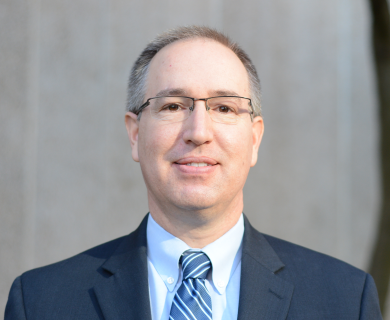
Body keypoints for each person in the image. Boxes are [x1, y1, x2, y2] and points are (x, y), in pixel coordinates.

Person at [5, 26, 382, 320]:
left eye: (224, 108)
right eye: (172, 106)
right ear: (135, 135)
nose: (198, 132)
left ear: (254, 139)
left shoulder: (345, 299)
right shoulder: (40, 301)